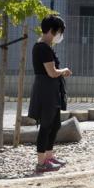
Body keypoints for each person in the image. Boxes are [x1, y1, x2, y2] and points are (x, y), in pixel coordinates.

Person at [28, 15, 72, 173]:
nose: (59, 35)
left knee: (55, 124)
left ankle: (49, 156)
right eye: (59, 31)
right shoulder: (42, 48)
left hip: (51, 90)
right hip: (46, 91)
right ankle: (41, 163)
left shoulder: (45, 46)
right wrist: (64, 71)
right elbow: (52, 72)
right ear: (52, 31)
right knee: (46, 126)